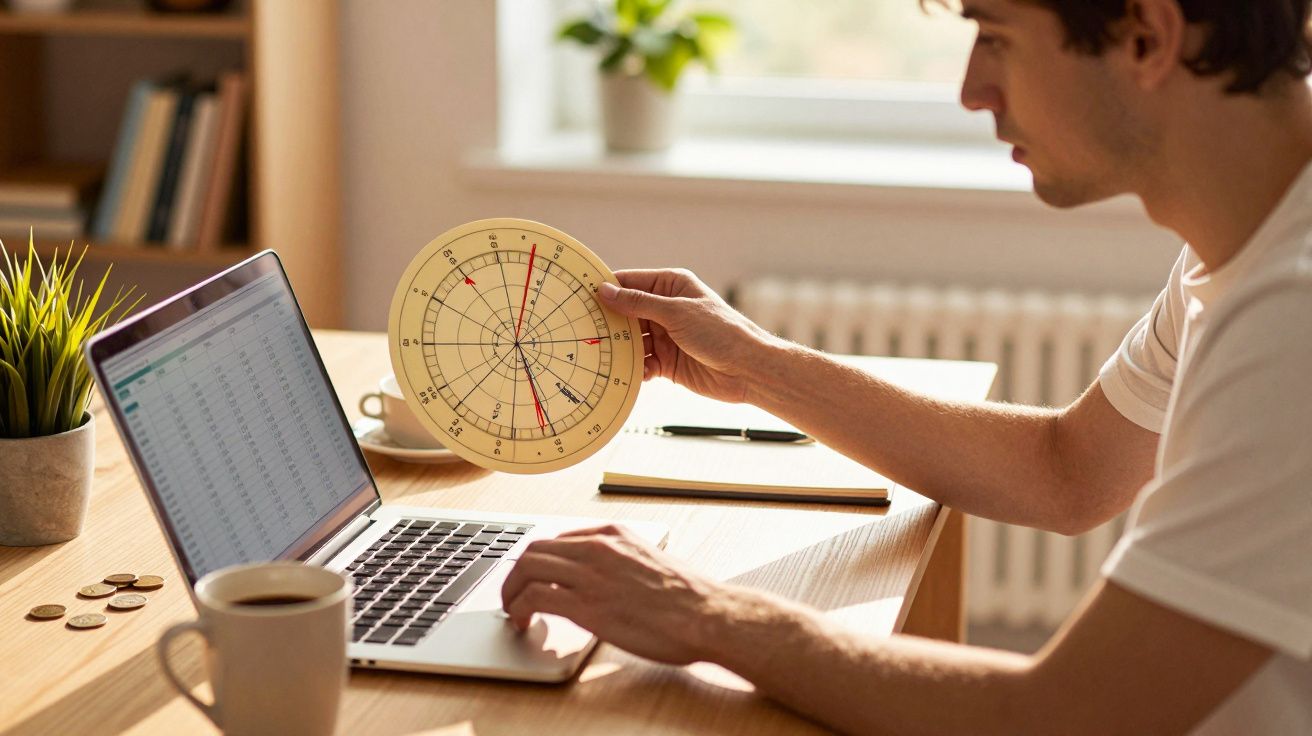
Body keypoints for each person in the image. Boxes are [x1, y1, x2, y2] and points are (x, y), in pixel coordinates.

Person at [501, 0, 1312, 732]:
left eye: (994, 35)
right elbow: (1069, 471)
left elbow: (1067, 715)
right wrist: (753, 367)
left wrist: (706, 615)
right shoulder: (1246, 239)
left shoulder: (1292, 315)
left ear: (1147, 36)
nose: (971, 89)